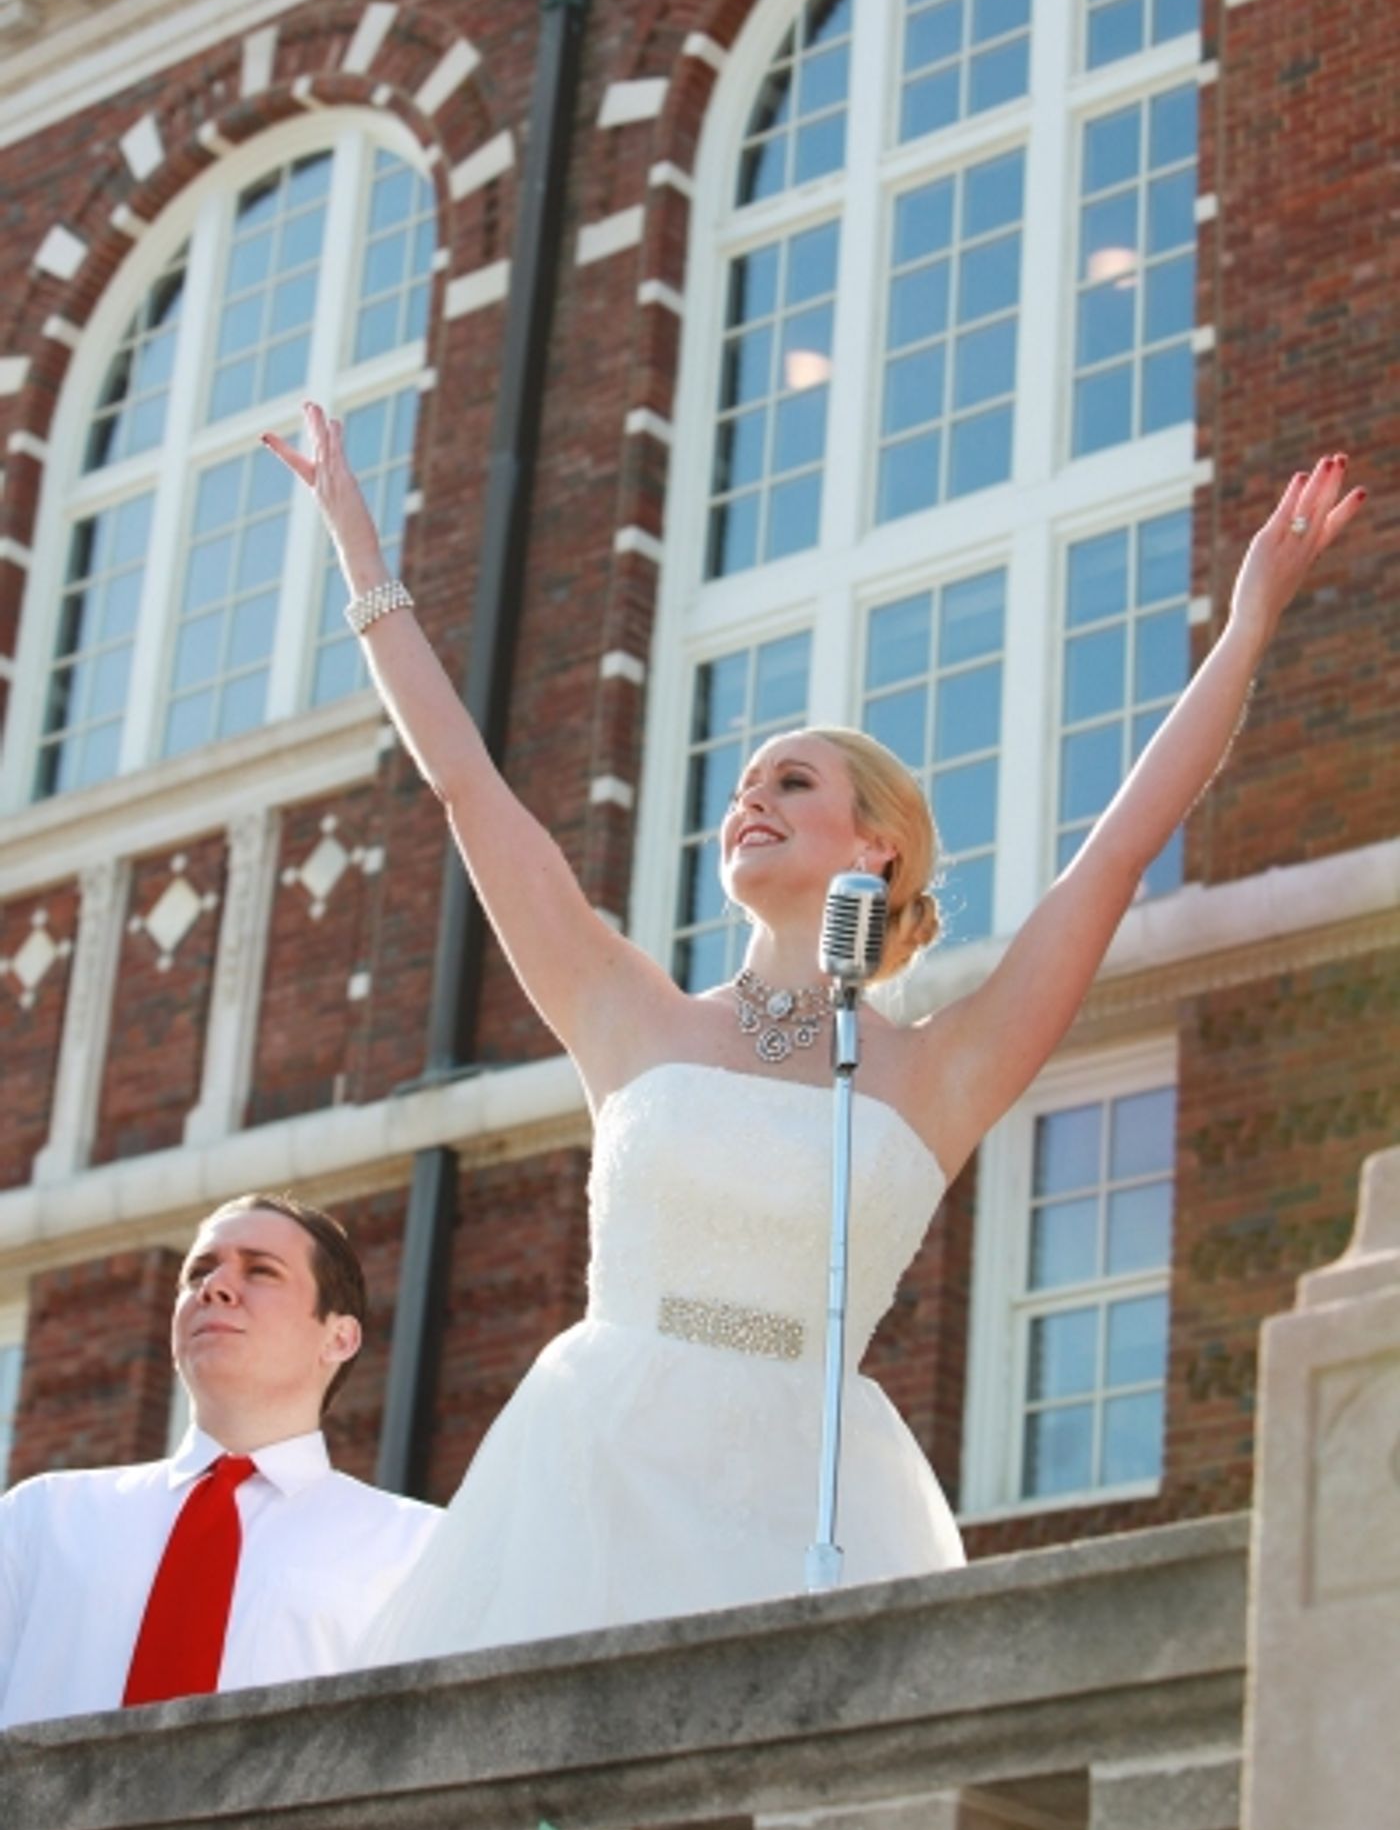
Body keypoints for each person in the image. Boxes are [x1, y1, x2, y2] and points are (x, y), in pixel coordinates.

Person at [265, 408, 1365, 1660]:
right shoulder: (630, 1016)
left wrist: (1247, 624)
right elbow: (468, 783)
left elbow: (1112, 855)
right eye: (744, 786)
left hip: (814, 1494)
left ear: (875, 843)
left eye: (792, 783)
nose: (751, 799)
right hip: (589, 1478)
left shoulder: (936, 1071)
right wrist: (359, 545)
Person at [0, 1193, 439, 1728]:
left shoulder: (421, 1549)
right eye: (198, 1274)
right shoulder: (40, 1520)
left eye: (261, 1271)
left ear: (339, 1337)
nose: (215, 1287)